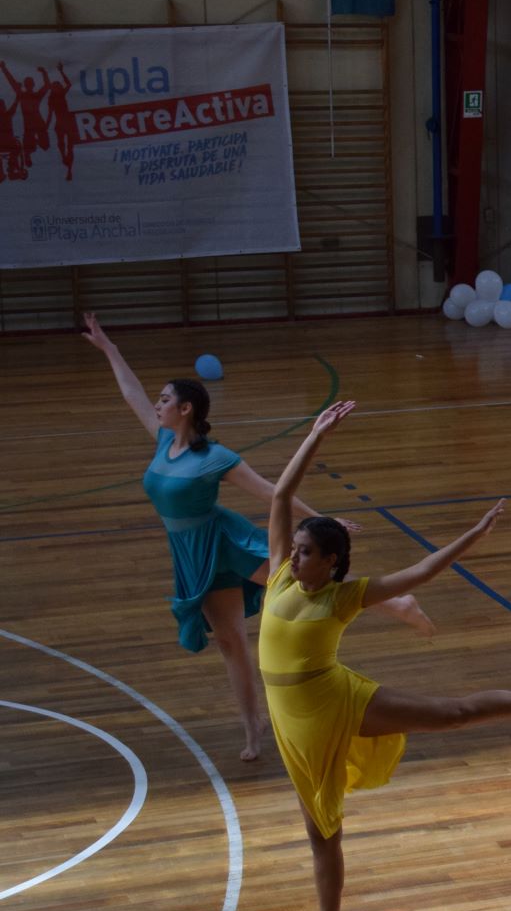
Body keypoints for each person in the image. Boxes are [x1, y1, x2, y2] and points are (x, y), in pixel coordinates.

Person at [263, 401, 511, 911]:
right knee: (320, 834)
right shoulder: (280, 574)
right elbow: (280, 495)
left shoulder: (343, 597)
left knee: (453, 714)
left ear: (331, 562)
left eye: (307, 552)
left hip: (335, 702)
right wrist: (316, 435)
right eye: (296, 548)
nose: (295, 556)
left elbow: (421, 573)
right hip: (292, 719)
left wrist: (472, 535)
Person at [81, 313, 430, 761]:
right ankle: (253, 726)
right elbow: (131, 393)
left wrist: (324, 519)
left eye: (164, 399)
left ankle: (398, 603)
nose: (156, 404)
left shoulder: (215, 457)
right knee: (229, 641)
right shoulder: (163, 441)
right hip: (191, 554)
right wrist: (109, 348)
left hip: (228, 542)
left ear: (186, 409)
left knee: (308, 586)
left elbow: (271, 491)